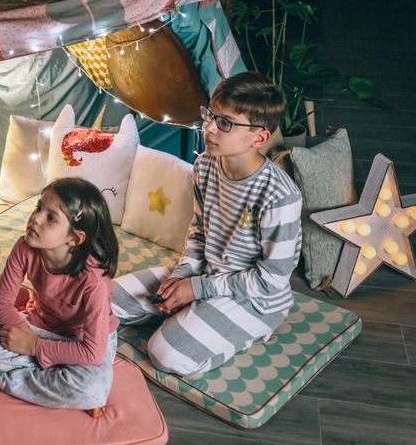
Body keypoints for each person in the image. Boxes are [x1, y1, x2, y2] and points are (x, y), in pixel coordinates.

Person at [112, 71, 302, 376]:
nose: (210, 129)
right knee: (102, 300)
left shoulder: (280, 196)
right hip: (205, 275)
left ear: (260, 137)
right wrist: (183, 275)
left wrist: (196, 290)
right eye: (210, 116)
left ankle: (242, 329)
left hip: (254, 301)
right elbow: (199, 230)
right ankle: (189, 312)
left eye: (225, 123)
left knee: (165, 354)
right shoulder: (205, 165)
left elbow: (271, 281)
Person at [0, 177, 119, 417]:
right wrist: (28, 337)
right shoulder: (25, 247)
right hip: (38, 326)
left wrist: (33, 347)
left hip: (82, 341)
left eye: (51, 217)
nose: (36, 219)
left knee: (92, 390)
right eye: (38, 208)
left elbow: (92, 353)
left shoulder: (94, 282)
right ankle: (56, 380)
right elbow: (1, 303)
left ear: (74, 238)